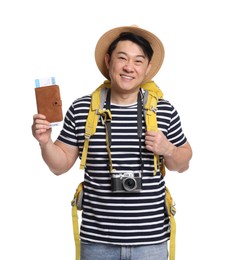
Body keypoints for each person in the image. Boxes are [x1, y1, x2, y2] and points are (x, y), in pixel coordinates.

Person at [32, 25, 192, 260]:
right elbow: (60, 166)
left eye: (138, 61)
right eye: (122, 58)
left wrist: (167, 149)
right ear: (109, 61)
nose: (129, 67)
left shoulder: (163, 110)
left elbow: (183, 163)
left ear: (147, 68)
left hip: (151, 242)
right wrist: (45, 143)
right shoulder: (82, 109)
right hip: (97, 243)